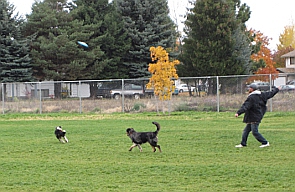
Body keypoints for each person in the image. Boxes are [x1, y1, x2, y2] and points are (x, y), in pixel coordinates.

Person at [235, 83, 280, 148]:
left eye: (249, 88)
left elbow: (246, 106)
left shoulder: (251, 97)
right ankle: (243, 143)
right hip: (256, 115)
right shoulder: (262, 94)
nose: (248, 89)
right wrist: (277, 89)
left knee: (254, 131)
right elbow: (271, 93)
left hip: (254, 116)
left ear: (252, 89)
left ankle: (265, 142)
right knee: (246, 131)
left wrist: (238, 113)